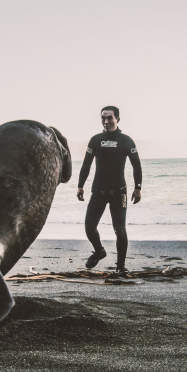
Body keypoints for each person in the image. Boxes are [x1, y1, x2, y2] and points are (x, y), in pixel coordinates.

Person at [77, 105, 142, 274]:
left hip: (119, 192)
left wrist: (138, 187)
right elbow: (86, 164)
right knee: (89, 226)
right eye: (103, 118)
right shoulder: (95, 140)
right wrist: (80, 185)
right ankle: (99, 252)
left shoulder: (126, 140)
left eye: (110, 118)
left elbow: (136, 165)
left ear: (117, 119)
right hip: (98, 190)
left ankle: (120, 267)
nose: (106, 121)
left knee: (120, 229)